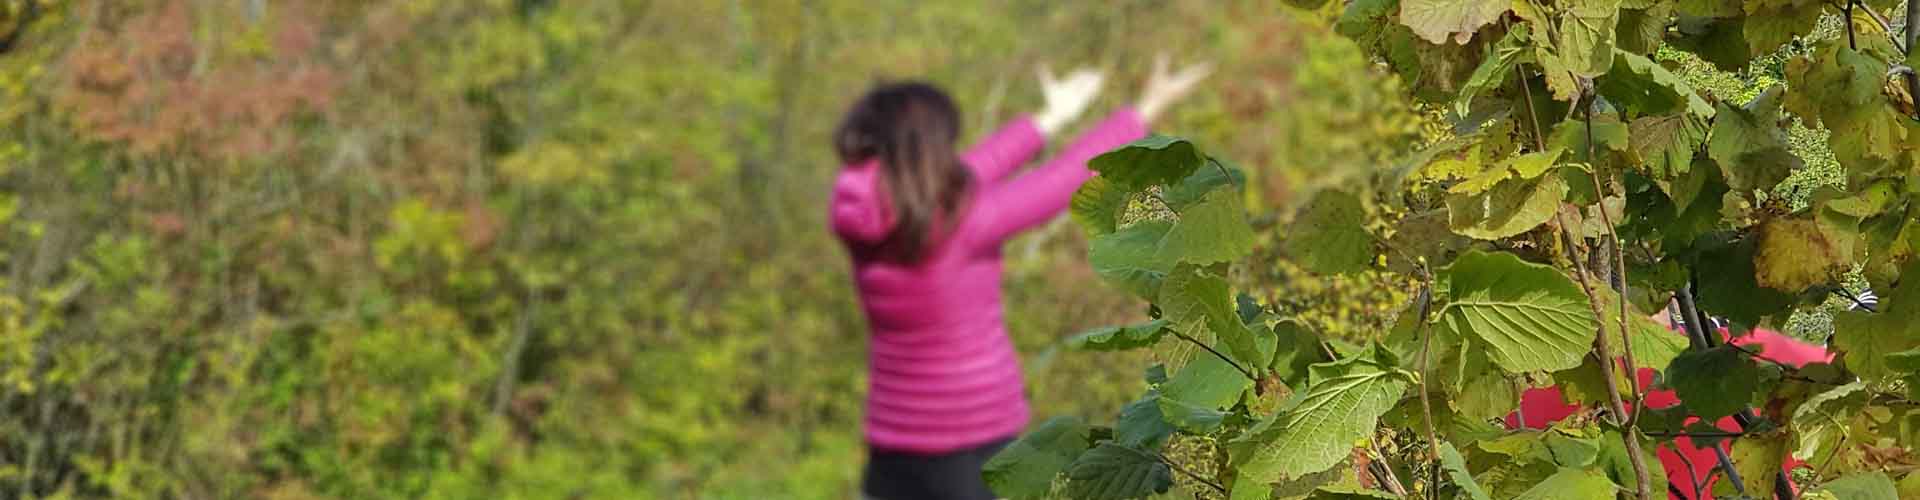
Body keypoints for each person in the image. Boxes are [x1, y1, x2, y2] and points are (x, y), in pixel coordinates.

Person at [827, 56, 1210, 500]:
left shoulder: (860, 212)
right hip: (972, 447)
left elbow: (970, 172)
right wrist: (1142, 111)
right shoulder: (967, 222)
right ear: (926, 152)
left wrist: (1049, 119)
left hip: (891, 452)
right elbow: (1064, 176)